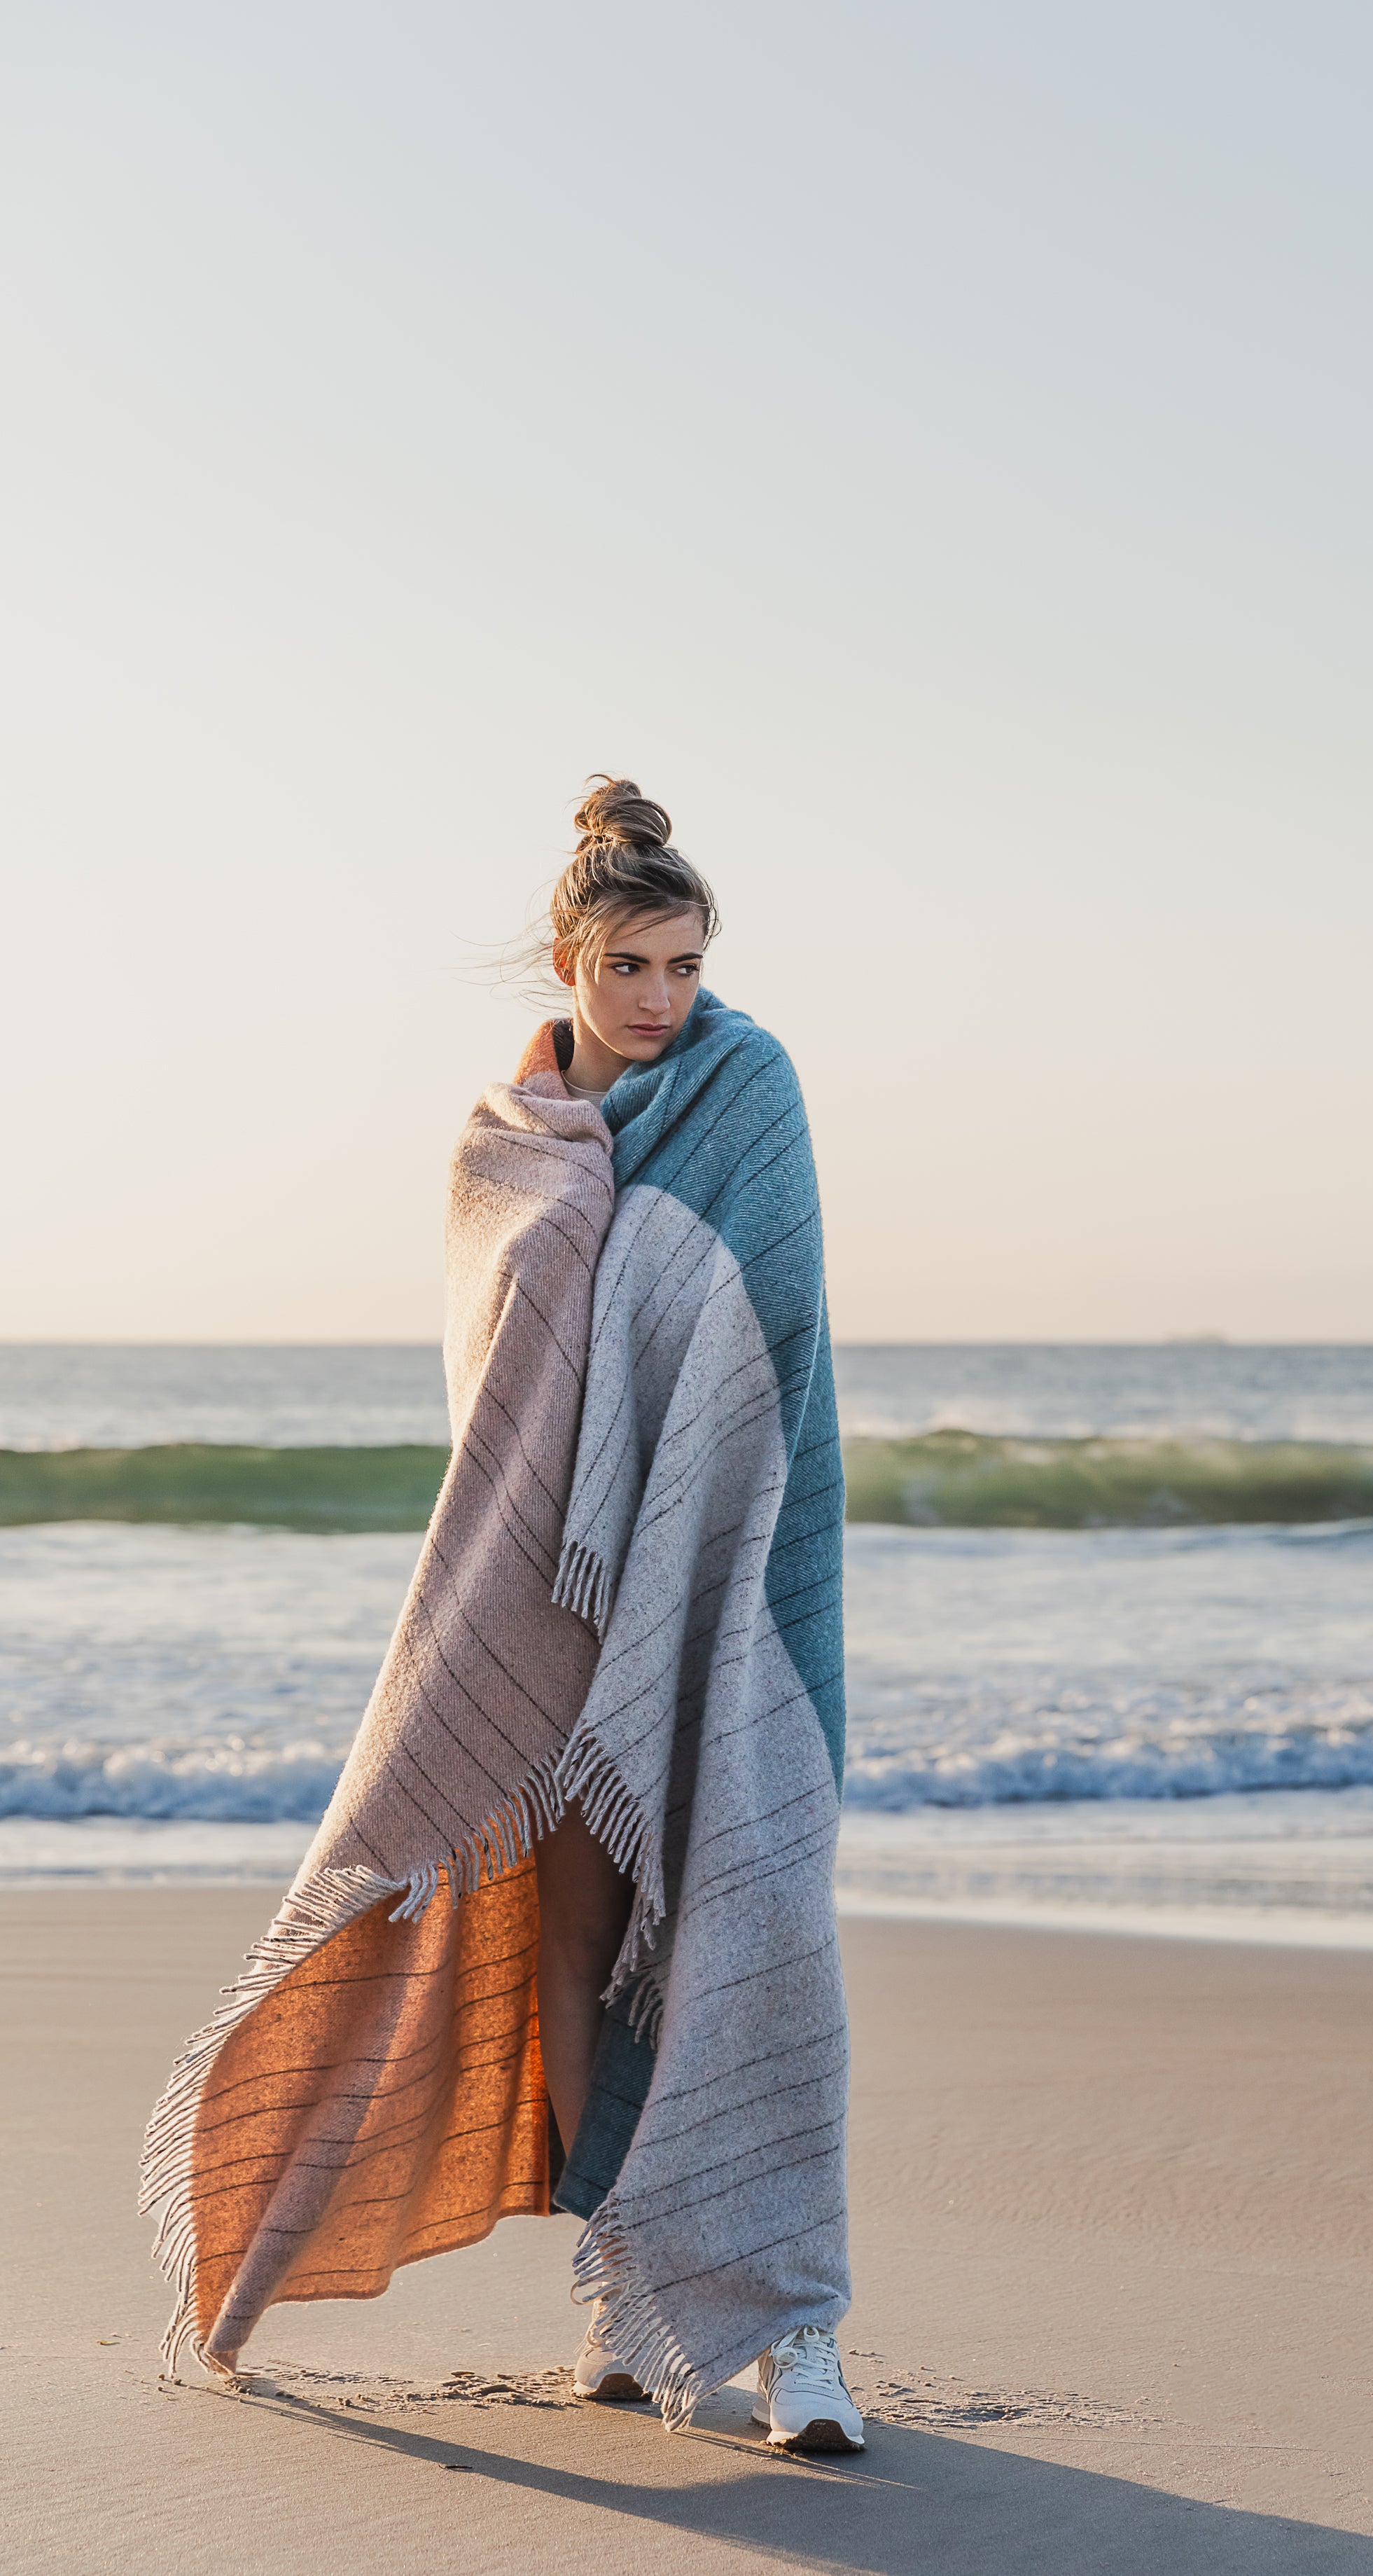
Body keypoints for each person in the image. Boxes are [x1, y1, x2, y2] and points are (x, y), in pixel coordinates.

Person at [143, 778, 863, 2455]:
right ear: (566, 953)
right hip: (552, 1596)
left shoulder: (749, 1093)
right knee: (565, 1929)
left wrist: (681, 1514)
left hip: (717, 1581)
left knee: (751, 1915)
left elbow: (774, 1343)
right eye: (631, 964)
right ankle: (626, 2267)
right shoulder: (504, 1143)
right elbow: (498, 1388)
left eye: (685, 965)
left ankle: (797, 2323)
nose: (660, 999)